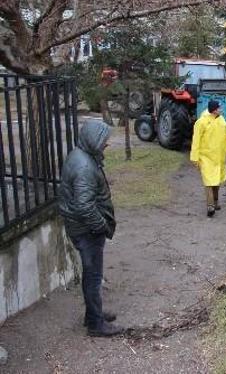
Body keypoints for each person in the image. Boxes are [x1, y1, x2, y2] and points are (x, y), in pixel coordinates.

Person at [59, 120, 123, 337]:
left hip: (82, 228)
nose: (106, 144)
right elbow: (84, 206)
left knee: (92, 275)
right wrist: (102, 226)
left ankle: (92, 315)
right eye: (104, 141)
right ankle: (96, 325)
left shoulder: (81, 155)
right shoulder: (85, 167)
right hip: (87, 231)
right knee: (93, 277)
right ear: (93, 140)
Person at [190, 100, 226, 217]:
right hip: (206, 157)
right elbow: (196, 140)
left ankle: (215, 201)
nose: (221, 109)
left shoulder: (221, 120)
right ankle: (210, 206)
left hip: (218, 157)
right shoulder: (202, 122)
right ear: (214, 110)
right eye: (219, 107)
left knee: (216, 181)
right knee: (209, 181)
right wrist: (195, 157)